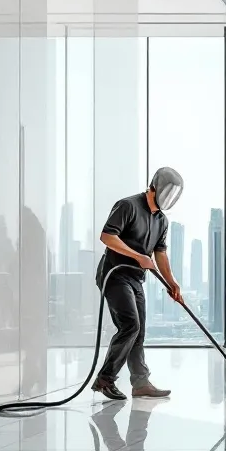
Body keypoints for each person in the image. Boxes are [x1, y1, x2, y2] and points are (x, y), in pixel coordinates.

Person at [92, 167, 185, 401]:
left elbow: (160, 254)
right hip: (114, 274)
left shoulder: (162, 220)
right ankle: (105, 380)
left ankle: (141, 383)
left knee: (139, 332)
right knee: (130, 325)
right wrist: (137, 256)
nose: (169, 198)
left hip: (135, 278)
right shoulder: (128, 206)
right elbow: (107, 236)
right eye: (167, 191)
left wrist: (171, 282)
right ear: (155, 187)